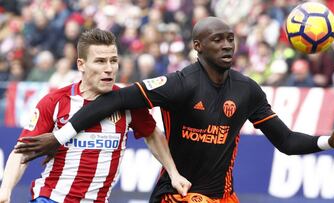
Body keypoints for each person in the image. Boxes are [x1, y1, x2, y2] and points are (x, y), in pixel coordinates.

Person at [14, 17, 334, 203]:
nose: (226, 45)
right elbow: (115, 99)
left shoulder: (246, 90)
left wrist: (329, 141)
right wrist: (59, 137)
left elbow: (285, 141)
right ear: (197, 46)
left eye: (230, 39)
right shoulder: (178, 84)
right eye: (217, 40)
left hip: (223, 197)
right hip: (177, 196)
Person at [0, 28, 191, 203]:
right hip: (52, 198)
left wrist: (173, 174)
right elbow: (22, 150)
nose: (109, 68)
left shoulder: (127, 102)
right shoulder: (56, 101)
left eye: (113, 60)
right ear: (81, 64)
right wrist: (5, 191)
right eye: (100, 61)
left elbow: (152, 133)